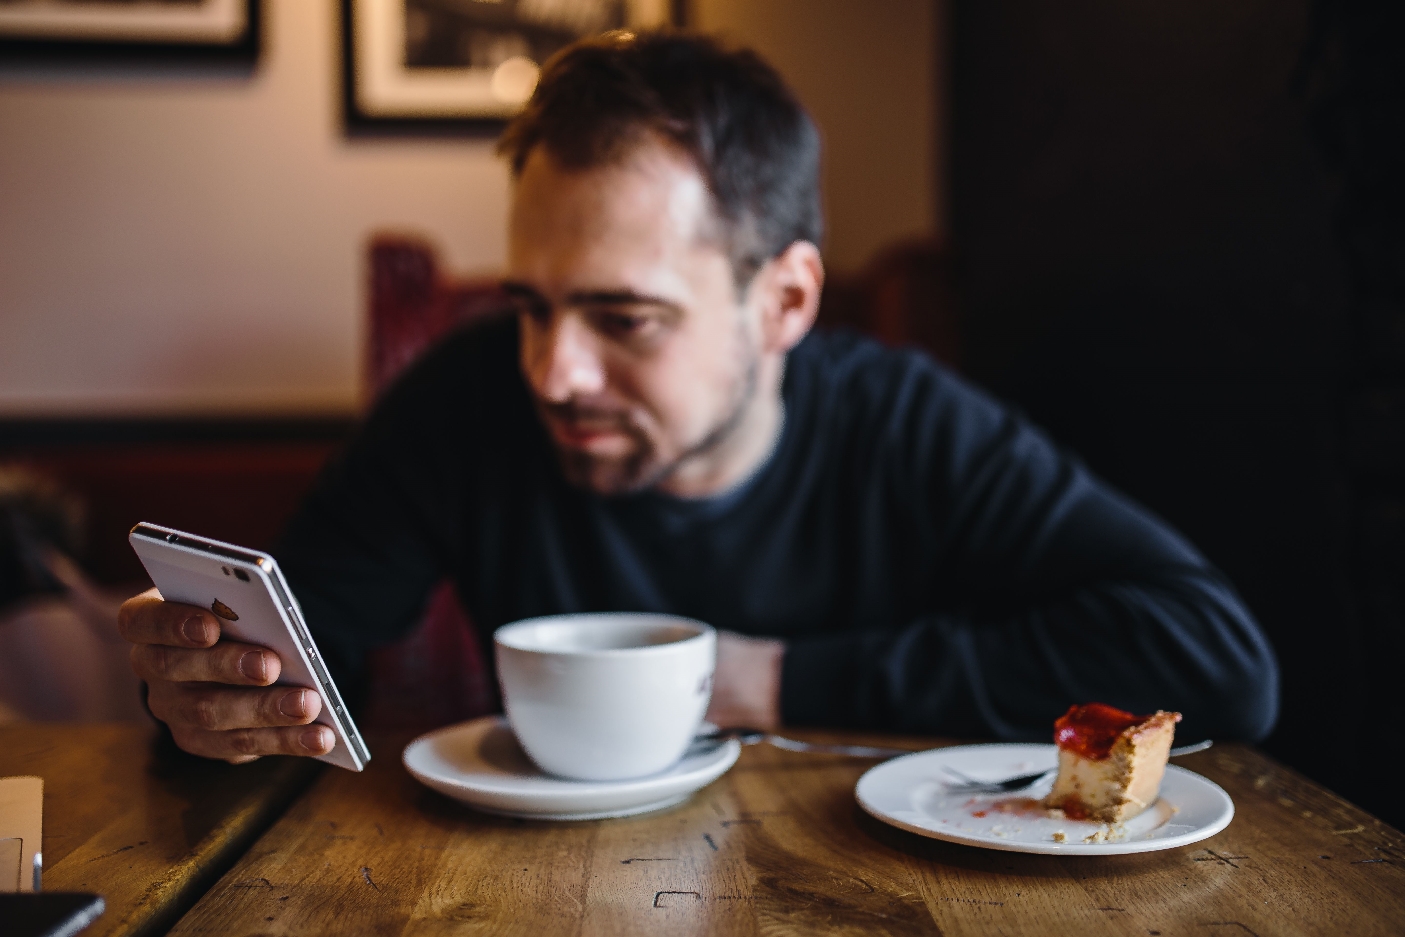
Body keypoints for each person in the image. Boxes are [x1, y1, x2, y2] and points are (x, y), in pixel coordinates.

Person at [117, 31, 1278, 764]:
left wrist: (763, 678)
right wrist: (209, 694)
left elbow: (1220, 661)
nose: (552, 371)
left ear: (783, 301)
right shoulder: (464, 403)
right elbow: (301, 646)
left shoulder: (907, 423)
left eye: (624, 318)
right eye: (531, 304)